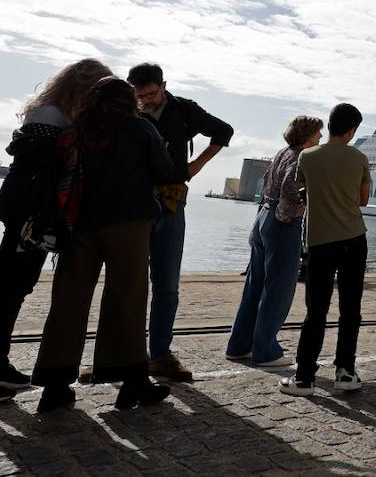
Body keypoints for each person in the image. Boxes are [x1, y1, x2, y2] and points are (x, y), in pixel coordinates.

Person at [0, 58, 111, 404]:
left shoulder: (54, 113)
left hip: (36, 213)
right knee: (1, 288)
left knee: (15, 288)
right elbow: (39, 171)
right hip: (30, 214)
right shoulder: (49, 116)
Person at [30, 76, 177, 412]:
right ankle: (131, 382)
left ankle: (55, 385)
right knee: (126, 298)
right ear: (130, 101)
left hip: (80, 224)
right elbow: (166, 173)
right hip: (128, 224)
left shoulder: (78, 128)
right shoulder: (140, 129)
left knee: (68, 300)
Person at [127, 62, 234, 383]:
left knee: (167, 285)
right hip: (134, 204)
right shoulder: (125, 111)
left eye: (152, 93)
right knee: (128, 283)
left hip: (173, 202)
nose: (146, 100)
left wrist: (195, 166)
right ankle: (123, 355)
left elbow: (224, 131)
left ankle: (159, 356)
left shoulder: (184, 109)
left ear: (164, 85)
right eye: (141, 95)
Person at [280, 104, 370, 397]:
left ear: (330, 125)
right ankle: (346, 371)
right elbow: (363, 200)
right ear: (353, 129)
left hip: (320, 240)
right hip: (354, 238)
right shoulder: (359, 157)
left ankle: (305, 377)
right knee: (350, 308)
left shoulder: (307, 156)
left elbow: (301, 187)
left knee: (315, 310)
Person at [226, 115, 322, 367]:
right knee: (278, 289)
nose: (320, 138)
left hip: (262, 219)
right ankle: (266, 351)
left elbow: (267, 179)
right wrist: (295, 211)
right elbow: (292, 186)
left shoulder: (282, 152)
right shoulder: (302, 156)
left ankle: (238, 345)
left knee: (254, 286)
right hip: (281, 224)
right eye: (317, 134)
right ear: (308, 134)